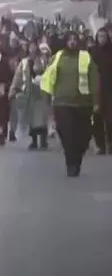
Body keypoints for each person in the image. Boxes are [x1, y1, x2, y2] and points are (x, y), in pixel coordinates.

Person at [41, 32, 100, 177]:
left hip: (82, 104)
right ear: (65, 42)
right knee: (66, 134)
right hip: (62, 103)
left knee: (82, 136)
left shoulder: (85, 57)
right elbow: (48, 76)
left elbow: (94, 79)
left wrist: (96, 100)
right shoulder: (58, 57)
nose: (72, 42)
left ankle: (77, 158)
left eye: (75, 40)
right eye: (70, 40)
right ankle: (71, 163)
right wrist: (46, 96)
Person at [11, 41, 51, 150]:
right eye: (30, 47)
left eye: (34, 47)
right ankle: (33, 141)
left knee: (42, 118)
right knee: (31, 118)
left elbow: (50, 73)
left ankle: (43, 141)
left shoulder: (44, 60)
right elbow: (18, 77)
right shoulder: (24, 62)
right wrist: (13, 90)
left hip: (42, 92)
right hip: (29, 93)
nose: (32, 49)